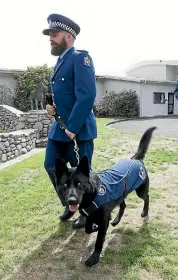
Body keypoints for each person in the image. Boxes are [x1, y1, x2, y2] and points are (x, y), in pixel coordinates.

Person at [43, 14, 97, 229]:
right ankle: (69, 203)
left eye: (54, 34)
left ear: (69, 36)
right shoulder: (59, 62)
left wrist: (73, 127)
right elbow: (64, 97)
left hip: (79, 130)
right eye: (50, 35)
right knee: (50, 165)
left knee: (82, 175)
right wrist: (51, 108)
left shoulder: (80, 59)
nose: (50, 39)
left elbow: (86, 96)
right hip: (59, 129)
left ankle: (86, 214)